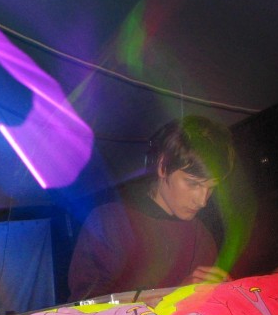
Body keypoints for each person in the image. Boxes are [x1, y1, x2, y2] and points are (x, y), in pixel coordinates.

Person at [68, 115, 235, 301]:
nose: (203, 201)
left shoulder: (202, 238)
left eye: (211, 187)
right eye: (193, 183)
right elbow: (87, 306)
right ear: (163, 167)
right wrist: (173, 297)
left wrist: (227, 295)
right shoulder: (108, 222)